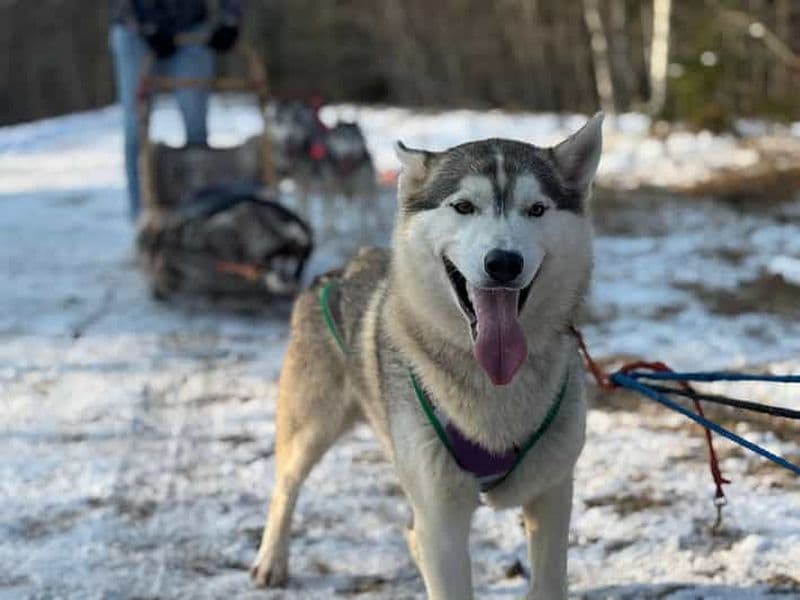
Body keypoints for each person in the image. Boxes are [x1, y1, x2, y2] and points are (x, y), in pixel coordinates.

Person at [109, 0, 243, 219]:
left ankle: (201, 213)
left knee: (196, 128)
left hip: (190, 26)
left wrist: (230, 18)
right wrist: (146, 24)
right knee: (136, 129)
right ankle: (142, 219)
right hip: (134, 29)